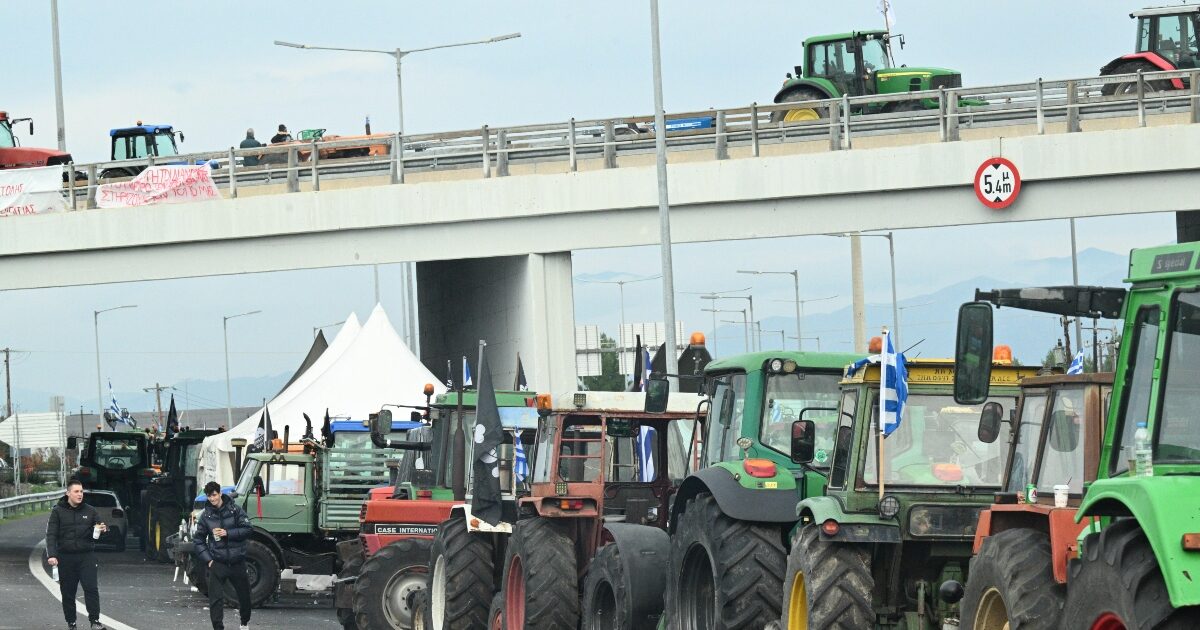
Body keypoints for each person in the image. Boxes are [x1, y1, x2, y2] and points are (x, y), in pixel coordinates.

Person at [46, 479, 106, 630]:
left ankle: (95, 621)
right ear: (68, 493)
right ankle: (71, 623)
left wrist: (103, 530)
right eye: (76, 491)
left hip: (86, 556)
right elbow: (51, 534)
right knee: (68, 593)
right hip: (66, 557)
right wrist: (52, 555)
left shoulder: (90, 510)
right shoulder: (57, 511)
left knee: (91, 588)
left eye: (81, 491)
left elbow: (98, 530)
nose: (80, 494)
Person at [194, 481, 253, 630]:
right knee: (215, 600)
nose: (212, 499)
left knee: (245, 596)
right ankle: (218, 628)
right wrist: (209, 560)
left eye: (214, 495)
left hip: (237, 561)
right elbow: (198, 540)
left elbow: (248, 529)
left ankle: (244, 623)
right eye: (209, 496)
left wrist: (228, 533)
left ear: (220, 493)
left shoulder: (235, 510)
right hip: (218, 562)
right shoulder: (205, 516)